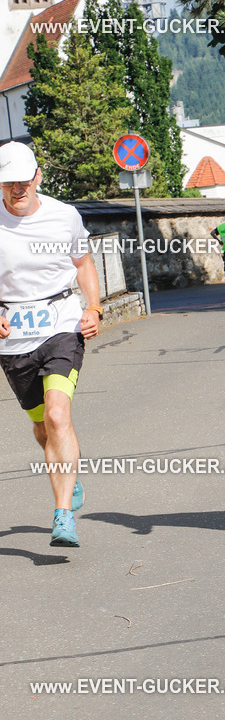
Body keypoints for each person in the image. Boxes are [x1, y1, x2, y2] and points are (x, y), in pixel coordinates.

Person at [0, 142, 102, 548]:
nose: (17, 189)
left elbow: (83, 262)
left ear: (38, 177)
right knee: (43, 428)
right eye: (9, 183)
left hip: (60, 323)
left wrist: (93, 308)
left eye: (24, 181)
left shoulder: (64, 216)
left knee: (59, 417)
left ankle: (62, 516)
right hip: (14, 338)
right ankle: (68, 471)